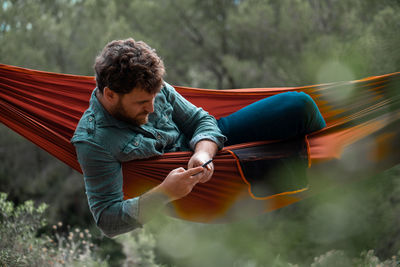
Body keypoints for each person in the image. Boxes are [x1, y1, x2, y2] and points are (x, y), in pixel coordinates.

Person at [71, 38, 326, 237]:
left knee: (299, 105)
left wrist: (203, 152)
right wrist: (164, 193)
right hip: (187, 191)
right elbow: (108, 219)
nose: (151, 108)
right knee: (287, 165)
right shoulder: (94, 141)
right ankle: (326, 184)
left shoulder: (150, 88)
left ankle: (334, 150)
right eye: (141, 103)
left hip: (207, 146)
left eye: (153, 99)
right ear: (110, 95)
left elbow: (201, 120)